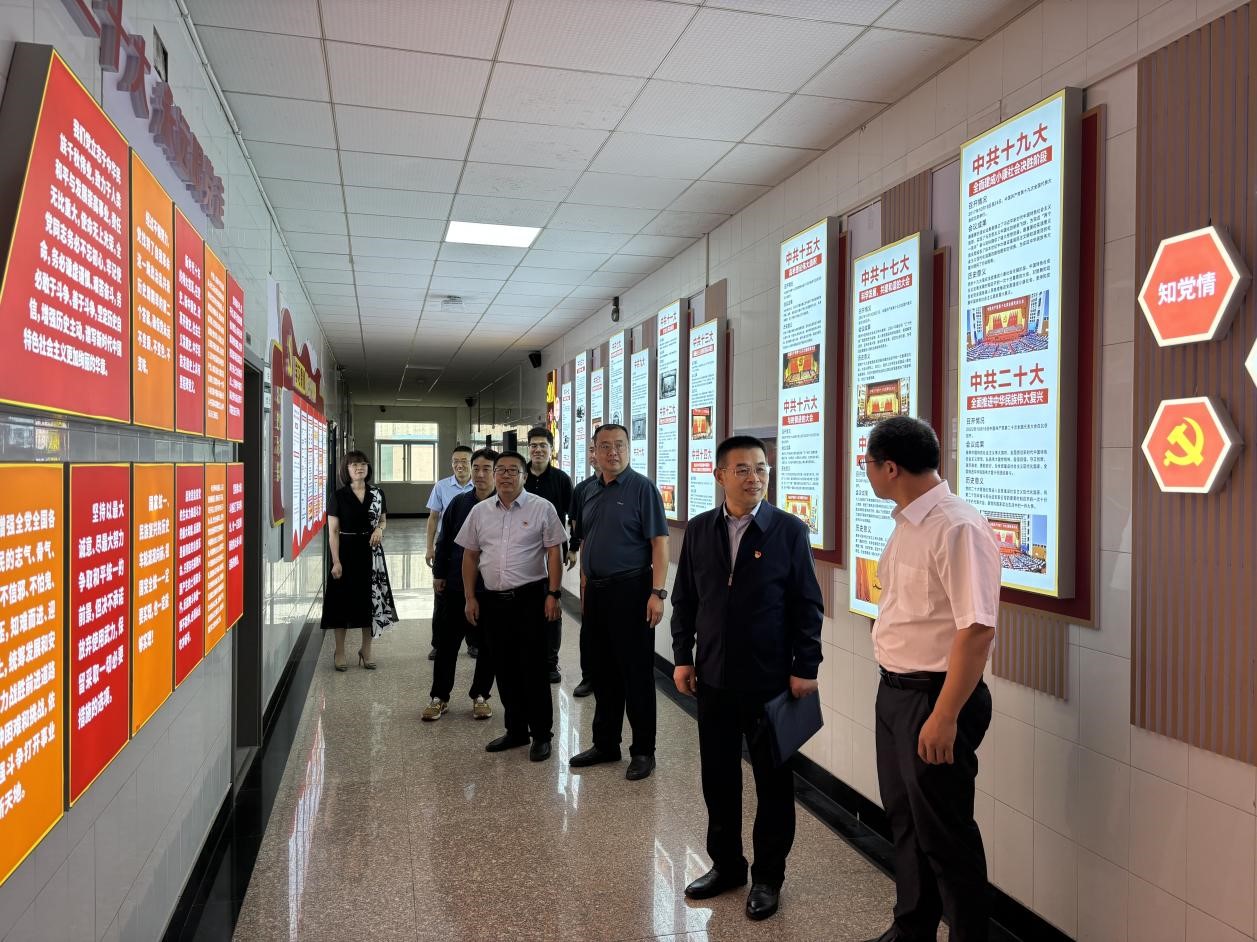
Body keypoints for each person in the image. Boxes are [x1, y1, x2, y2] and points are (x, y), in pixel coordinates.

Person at [670, 435, 823, 922]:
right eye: (742, 469)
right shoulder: (700, 529)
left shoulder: (789, 531)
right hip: (713, 678)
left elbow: (807, 605)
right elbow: (685, 599)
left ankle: (768, 877)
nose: (754, 477)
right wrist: (683, 656)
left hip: (771, 682)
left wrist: (805, 667)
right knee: (718, 779)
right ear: (720, 476)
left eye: (761, 468)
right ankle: (727, 866)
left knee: (773, 784)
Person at [859, 417, 1000, 942]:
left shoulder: (957, 526)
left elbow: (977, 629)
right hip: (896, 693)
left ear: (890, 467)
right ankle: (912, 927)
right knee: (905, 821)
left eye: (869, 465)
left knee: (946, 834)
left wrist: (944, 715)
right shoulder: (907, 523)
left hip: (935, 700)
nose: (868, 474)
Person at [568, 423, 668, 781]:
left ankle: (643, 751)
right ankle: (606, 743)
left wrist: (657, 593)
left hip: (632, 590)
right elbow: (586, 540)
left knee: (636, 674)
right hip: (597, 591)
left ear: (629, 448)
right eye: (606, 446)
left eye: (620, 445)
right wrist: (584, 583)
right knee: (603, 672)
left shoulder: (642, 488)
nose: (613, 452)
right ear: (594, 451)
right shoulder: (588, 490)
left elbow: (659, 544)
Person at [456, 451, 567, 761]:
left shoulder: (542, 508)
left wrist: (554, 594)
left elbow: (554, 553)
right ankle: (516, 730)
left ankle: (541, 734)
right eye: (500, 470)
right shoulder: (479, 512)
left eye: (512, 470)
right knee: (504, 668)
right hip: (492, 601)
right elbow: (470, 556)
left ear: (524, 476)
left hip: (530, 598)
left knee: (533, 668)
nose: (505, 475)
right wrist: (470, 597)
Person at [424, 448, 498, 722]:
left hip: (491, 588)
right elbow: (444, 541)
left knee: (488, 645)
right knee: (447, 644)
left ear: (496, 473)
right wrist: (439, 574)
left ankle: (480, 696)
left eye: (486, 469)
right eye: (476, 468)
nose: (480, 474)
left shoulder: (503, 505)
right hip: (456, 585)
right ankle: (439, 697)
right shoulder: (458, 503)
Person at [321, 450, 399, 669]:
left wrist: (380, 530)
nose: (359, 468)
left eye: (363, 464)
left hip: (371, 553)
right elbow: (333, 532)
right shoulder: (338, 496)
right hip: (345, 552)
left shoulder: (377, 493)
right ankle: (339, 651)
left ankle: (366, 650)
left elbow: (382, 520)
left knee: (369, 602)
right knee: (341, 602)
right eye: (354, 465)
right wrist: (336, 561)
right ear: (346, 469)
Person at [523, 426, 573, 684]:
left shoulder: (561, 479)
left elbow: (573, 516)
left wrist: (573, 547)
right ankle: (524, 657)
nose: (538, 450)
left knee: (552, 604)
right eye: (534, 445)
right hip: (521, 553)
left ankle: (550, 662)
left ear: (551, 449)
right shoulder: (520, 476)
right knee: (524, 606)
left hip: (552, 553)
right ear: (528, 448)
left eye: (543, 445)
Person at [425, 445, 474, 660]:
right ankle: (438, 644)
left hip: (473, 550)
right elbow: (433, 518)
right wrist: (429, 547)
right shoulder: (442, 486)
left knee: (472, 594)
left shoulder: (480, 485)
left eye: (464, 461)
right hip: (448, 548)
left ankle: (474, 643)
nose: (459, 465)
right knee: (442, 598)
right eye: (455, 461)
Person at [566, 438, 599, 698]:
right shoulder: (583, 488)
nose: (595, 453)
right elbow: (575, 523)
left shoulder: (637, 487)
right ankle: (590, 676)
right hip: (591, 564)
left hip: (624, 572)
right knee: (589, 620)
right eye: (592, 449)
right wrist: (574, 548)